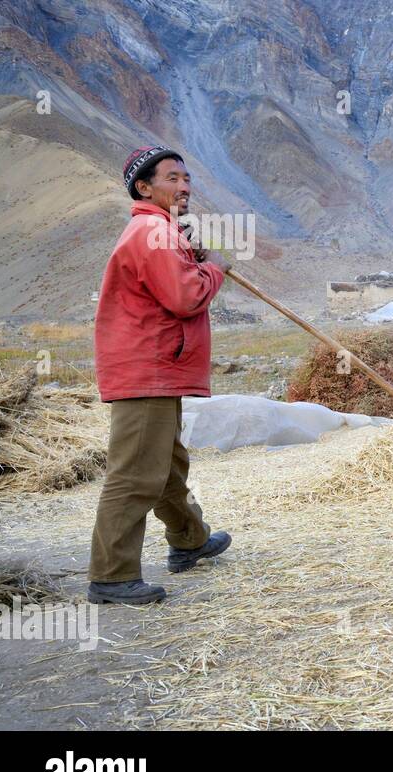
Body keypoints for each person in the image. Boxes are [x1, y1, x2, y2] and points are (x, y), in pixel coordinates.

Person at [87, 146, 233, 605]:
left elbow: (171, 283)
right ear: (144, 188)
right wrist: (213, 269)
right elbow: (185, 298)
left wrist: (192, 257)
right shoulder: (152, 230)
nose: (184, 186)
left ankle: (189, 540)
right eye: (172, 178)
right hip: (146, 369)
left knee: (167, 465)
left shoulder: (161, 232)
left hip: (158, 370)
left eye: (187, 178)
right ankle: (111, 576)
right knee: (135, 475)